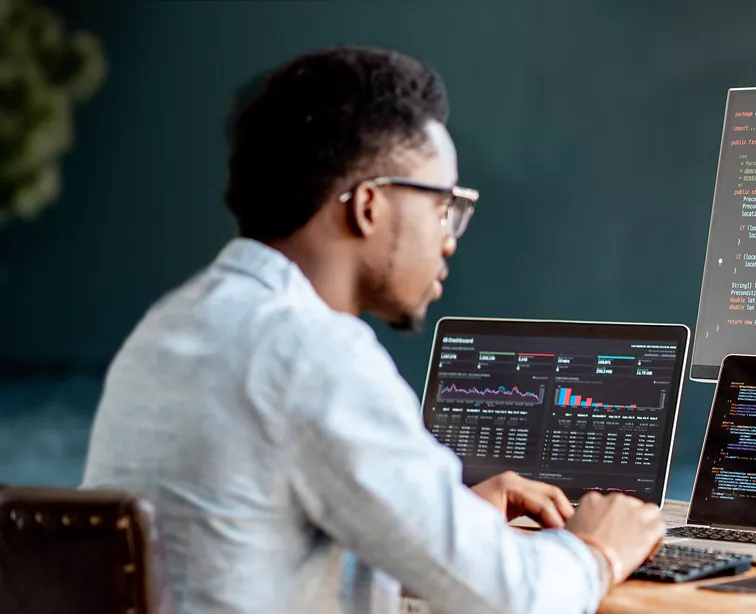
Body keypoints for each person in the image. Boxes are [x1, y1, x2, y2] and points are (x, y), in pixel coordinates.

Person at [80, 45, 664, 614]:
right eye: (445, 206)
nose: (450, 237)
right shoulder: (311, 352)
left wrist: (451, 525)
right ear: (368, 207)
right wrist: (598, 550)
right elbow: (518, 598)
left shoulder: (171, 326)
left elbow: (252, 543)